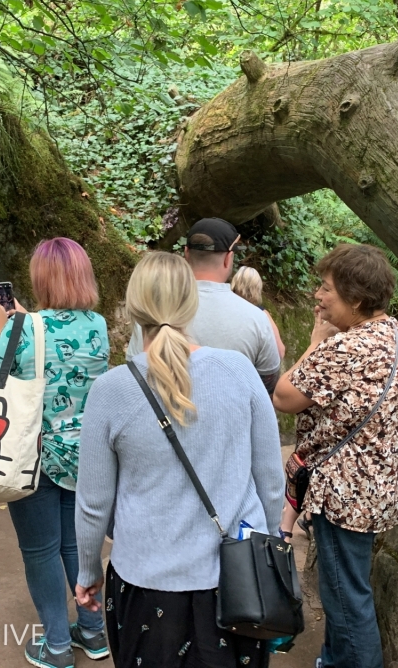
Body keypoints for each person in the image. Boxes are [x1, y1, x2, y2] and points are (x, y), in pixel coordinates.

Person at [75, 251, 285, 668]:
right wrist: (270, 545)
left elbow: (93, 502)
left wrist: (87, 572)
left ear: (134, 309)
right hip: (236, 583)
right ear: (192, 303)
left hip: (144, 582)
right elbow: (270, 479)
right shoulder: (239, 371)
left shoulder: (111, 390)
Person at [272, 243, 398, 668]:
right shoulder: (396, 335)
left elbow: (285, 396)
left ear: (356, 299)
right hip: (377, 490)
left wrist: (317, 342)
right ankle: (332, 660)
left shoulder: (346, 349)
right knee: (348, 593)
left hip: (344, 497)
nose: (318, 296)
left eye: (327, 289)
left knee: (346, 602)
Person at [0, 238, 110, 668]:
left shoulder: (25, 327)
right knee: (76, 546)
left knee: (40, 551)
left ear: (40, 278)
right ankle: (92, 632)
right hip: (85, 453)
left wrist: (0, 324)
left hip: (34, 456)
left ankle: (55, 647)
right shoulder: (98, 325)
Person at [125, 218, 281, 393]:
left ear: (186, 253)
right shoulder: (256, 318)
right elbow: (268, 383)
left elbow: (134, 369)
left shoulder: (154, 311)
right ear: (228, 259)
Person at [231, 265, 286, 360]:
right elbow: (280, 351)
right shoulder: (263, 314)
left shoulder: (225, 307)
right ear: (257, 288)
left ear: (234, 284)